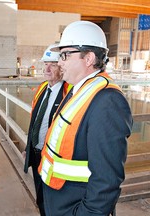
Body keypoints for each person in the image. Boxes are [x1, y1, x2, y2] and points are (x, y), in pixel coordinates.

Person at [38, 21, 133, 216]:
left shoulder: (107, 101)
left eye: (64, 55)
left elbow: (106, 180)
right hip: (59, 200)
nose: (60, 62)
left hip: (75, 207)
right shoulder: (79, 90)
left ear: (88, 58)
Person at [23, 45, 71, 216]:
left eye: (53, 64)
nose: (47, 69)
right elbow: (35, 120)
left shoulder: (69, 94)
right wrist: (28, 147)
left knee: (53, 202)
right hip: (37, 155)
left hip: (53, 160)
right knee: (41, 199)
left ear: (62, 67)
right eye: (45, 64)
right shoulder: (43, 88)